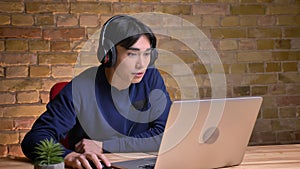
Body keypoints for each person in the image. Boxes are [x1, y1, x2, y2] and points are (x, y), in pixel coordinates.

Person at [21, 15, 172, 169]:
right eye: (132, 54)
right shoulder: (81, 87)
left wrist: (104, 145)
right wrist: (67, 155)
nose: (142, 64)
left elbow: (167, 134)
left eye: (147, 54)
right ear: (109, 54)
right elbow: (35, 138)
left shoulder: (151, 78)